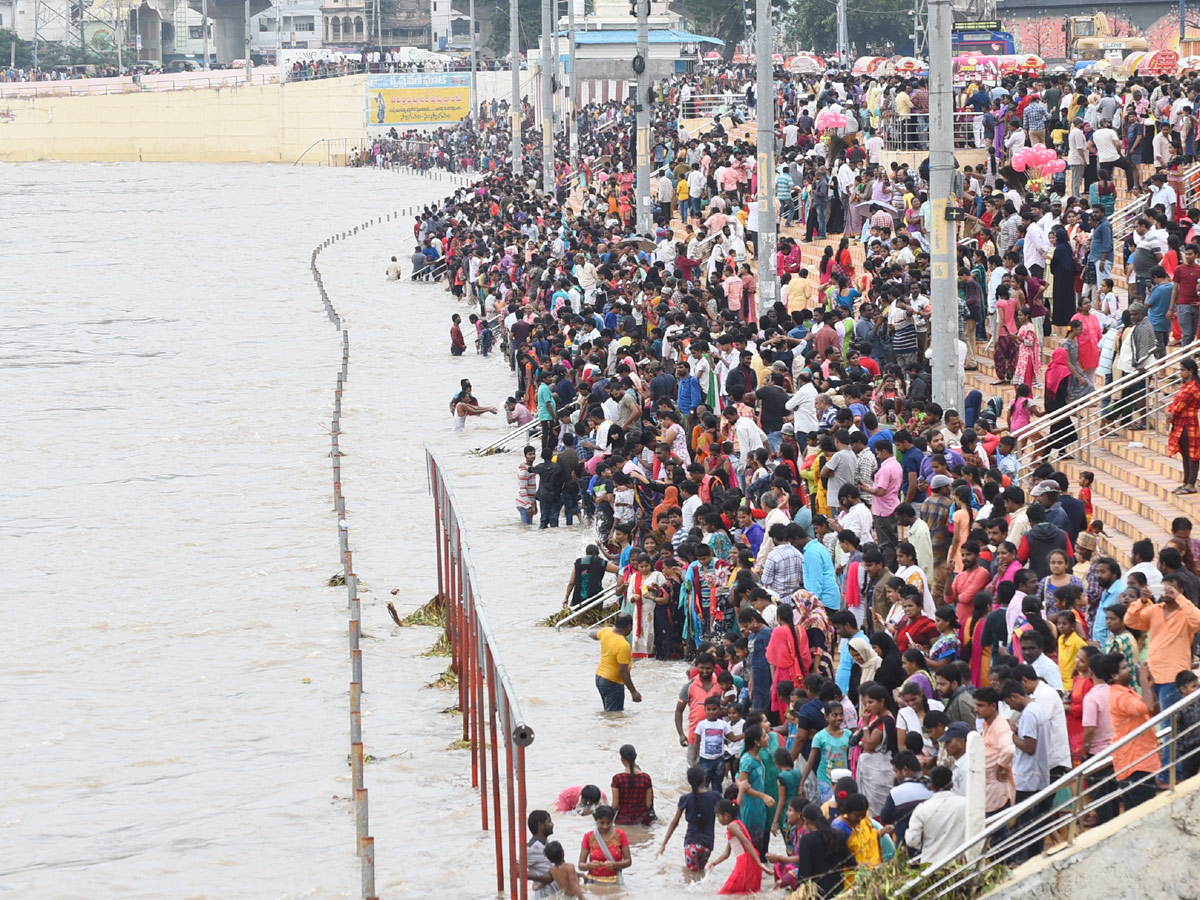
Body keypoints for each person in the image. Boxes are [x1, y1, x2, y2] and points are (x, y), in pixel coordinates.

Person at [767, 802, 852, 897]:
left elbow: (804, 874)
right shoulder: (838, 835)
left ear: (806, 821)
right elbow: (850, 863)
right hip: (839, 891)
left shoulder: (807, 840)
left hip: (817, 893)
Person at [658, 765, 722, 877]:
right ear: (704, 779)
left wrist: (664, 844)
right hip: (707, 844)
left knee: (690, 878)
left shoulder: (685, 799)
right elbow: (728, 812)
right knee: (701, 874)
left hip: (691, 844)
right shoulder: (715, 796)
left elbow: (674, 822)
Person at [905, 765, 967, 864]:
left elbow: (911, 840)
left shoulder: (921, 809)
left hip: (930, 866)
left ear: (931, 786)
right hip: (960, 864)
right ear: (952, 785)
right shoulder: (966, 804)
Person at [708, 799, 765, 894]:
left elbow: (746, 842)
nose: (718, 819)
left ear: (726, 815)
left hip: (745, 861)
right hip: (750, 858)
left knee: (727, 892)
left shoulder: (732, 826)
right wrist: (714, 863)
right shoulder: (736, 824)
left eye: (718, 816)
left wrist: (759, 863)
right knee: (745, 892)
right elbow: (727, 853)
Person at [590, 614, 641, 711]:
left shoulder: (606, 632)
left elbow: (594, 635)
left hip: (599, 678)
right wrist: (633, 692)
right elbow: (623, 671)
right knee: (614, 716)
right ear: (629, 626)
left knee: (608, 711)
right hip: (612, 682)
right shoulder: (623, 645)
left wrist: (590, 634)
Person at [1167, 358, 1200, 494]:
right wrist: (1170, 411)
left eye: (1183, 370)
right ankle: (1186, 482)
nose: (1180, 373)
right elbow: (1175, 402)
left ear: (1190, 371)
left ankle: (1191, 483)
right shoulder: (1186, 385)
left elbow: (1180, 405)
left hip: (1189, 423)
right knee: (1185, 453)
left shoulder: (1193, 386)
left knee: (1192, 454)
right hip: (1181, 423)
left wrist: (1171, 413)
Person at [577, 805, 631, 885]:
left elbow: (628, 861)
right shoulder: (588, 837)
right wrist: (589, 866)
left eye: (608, 823)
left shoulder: (621, 835)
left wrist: (615, 865)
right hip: (593, 882)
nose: (605, 827)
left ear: (612, 821)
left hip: (614, 882)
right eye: (601, 823)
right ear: (596, 821)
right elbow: (581, 865)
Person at [610, 744, 654, 827]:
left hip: (623, 821)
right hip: (642, 822)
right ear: (636, 756)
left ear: (622, 759)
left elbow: (615, 806)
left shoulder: (617, 779)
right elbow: (648, 804)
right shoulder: (646, 778)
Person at [527, 810, 557, 893]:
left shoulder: (549, 843)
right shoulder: (531, 848)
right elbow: (515, 871)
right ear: (541, 825)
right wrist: (543, 879)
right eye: (549, 821)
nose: (552, 824)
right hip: (544, 895)